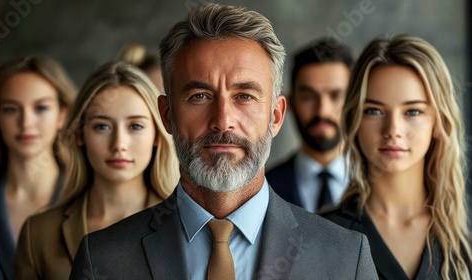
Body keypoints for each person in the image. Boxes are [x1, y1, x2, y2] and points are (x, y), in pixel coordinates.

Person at [69, 3, 377, 279]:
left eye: (244, 96)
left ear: (276, 116)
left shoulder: (345, 257)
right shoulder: (102, 260)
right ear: (167, 114)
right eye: (200, 96)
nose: (222, 119)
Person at [322, 35, 472, 279]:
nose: (392, 130)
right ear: (355, 120)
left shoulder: (463, 246)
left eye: (412, 111)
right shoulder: (321, 237)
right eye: (374, 111)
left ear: (438, 122)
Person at [13, 61, 179, 280]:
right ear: (80, 134)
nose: (119, 144)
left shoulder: (184, 226)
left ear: (157, 135)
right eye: (102, 126)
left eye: (135, 126)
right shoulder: (38, 233)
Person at [0, 55, 76, 280]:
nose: (26, 123)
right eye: (11, 109)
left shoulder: (91, 199)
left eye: (40, 108)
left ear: (63, 115)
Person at [266, 37, 353, 212]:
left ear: (354, 101)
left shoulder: (381, 185)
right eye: (308, 96)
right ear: (289, 103)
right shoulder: (265, 188)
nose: (322, 111)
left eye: (335, 96)